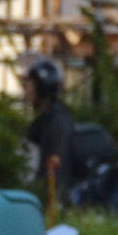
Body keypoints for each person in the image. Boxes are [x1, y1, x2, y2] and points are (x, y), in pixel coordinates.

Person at [20, 57, 77, 198]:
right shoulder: (46, 118)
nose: (26, 89)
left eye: (30, 84)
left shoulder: (55, 121)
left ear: (42, 87)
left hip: (54, 198)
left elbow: (55, 167)